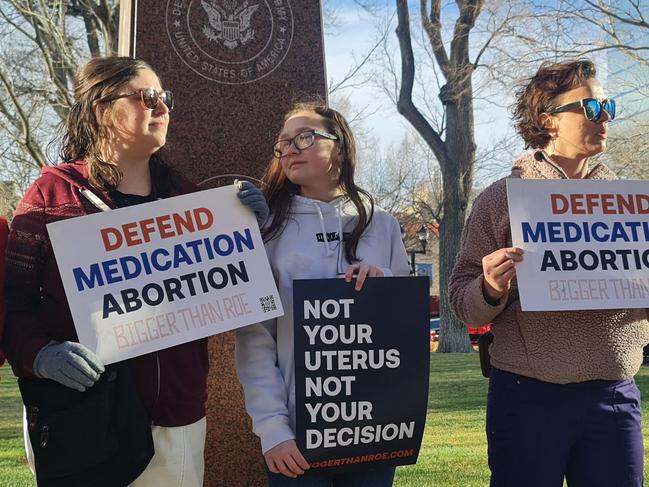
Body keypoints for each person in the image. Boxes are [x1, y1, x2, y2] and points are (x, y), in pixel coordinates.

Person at [1, 55, 268, 486]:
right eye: (148, 97)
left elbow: (236, 291)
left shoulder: (187, 199)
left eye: (165, 98)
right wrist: (39, 355)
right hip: (81, 418)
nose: (163, 108)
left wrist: (249, 229)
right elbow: (12, 302)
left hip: (175, 421)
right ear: (101, 108)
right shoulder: (50, 195)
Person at [449, 59, 647, 487]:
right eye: (591, 108)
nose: (605, 117)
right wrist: (489, 286)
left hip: (614, 394)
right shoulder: (500, 200)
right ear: (547, 120)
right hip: (527, 396)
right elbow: (463, 305)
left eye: (608, 106)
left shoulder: (631, 206)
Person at [235, 101, 410, 486]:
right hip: (296, 440)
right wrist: (273, 431)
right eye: (283, 143)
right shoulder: (267, 229)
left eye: (306, 137)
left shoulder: (382, 224)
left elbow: (404, 330)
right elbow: (256, 339)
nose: (291, 148)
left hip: (374, 428)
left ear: (341, 150)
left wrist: (381, 289)